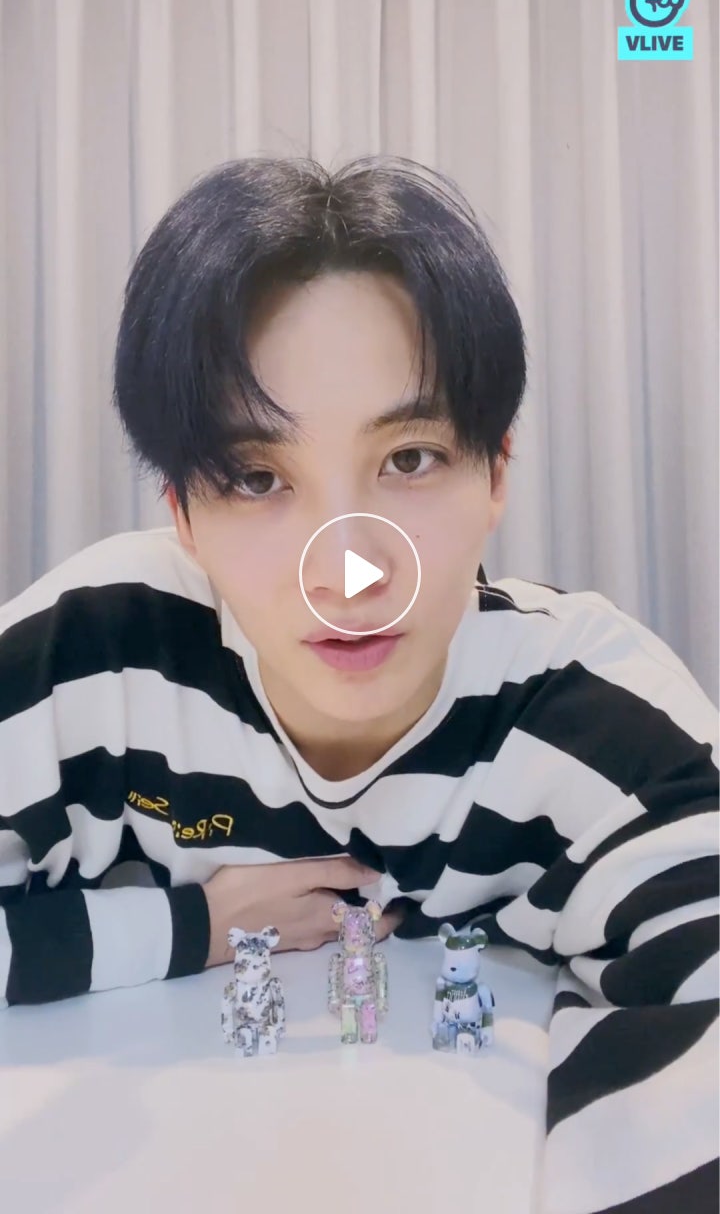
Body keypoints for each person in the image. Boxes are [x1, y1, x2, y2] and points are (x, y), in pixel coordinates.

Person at [0, 155, 717, 1211]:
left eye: (410, 459)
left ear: (497, 470)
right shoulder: (88, 657)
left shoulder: (597, 720)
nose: (346, 574)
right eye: (259, 478)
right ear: (182, 513)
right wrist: (190, 927)